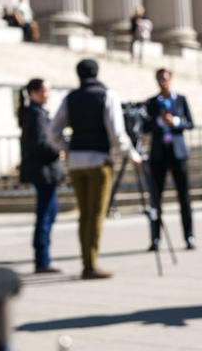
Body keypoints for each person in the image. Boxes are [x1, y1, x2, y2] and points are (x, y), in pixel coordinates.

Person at [51, 59, 141, 279]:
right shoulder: (107, 95)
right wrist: (132, 155)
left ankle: (87, 261)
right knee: (96, 215)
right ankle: (90, 265)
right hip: (99, 160)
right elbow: (116, 132)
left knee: (84, 215)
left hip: (76, 162)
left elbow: (53, 131)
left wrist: (68, 148)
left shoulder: (71, 98)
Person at [143, 68, 196, 250]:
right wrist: (158, 122)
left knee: (184, 198)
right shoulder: (151, 103)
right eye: (159, 79)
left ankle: (189, 236)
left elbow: (190, 123)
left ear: (170, 79)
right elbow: (145, 126)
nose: (162, 82)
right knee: (156, 199)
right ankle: (155, 238)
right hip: (158, 154)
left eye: (164, 78)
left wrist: (176, 122)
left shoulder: (180, 99)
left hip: (178, 153)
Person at [18, 78, 65, 274]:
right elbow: (37, 143)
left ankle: (43, 257)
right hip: (42, 170)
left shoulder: (36, 113)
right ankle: (42, 259)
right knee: (46, 214)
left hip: (43, 170)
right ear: (34, 93)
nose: (47, 95)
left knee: (49, 212)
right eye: (44, 91)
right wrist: (57, 151)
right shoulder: (35, 114)